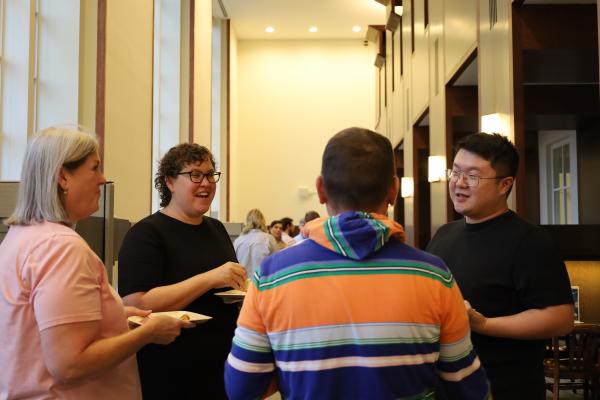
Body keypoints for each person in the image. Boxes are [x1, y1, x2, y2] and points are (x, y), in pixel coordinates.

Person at [224, 127, 490, 400]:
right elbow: (468, 387)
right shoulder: (434, 276)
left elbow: (241, 388)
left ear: (320, 189)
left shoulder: (271, 277)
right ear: (393, 190)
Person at [0, 125, 189, 399]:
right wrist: (147, 334)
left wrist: (113, 317)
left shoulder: (19, 238)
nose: (103, 179)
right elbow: (71, 363)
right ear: (63, 176)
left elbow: (39, 325)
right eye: (94, 168)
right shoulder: (61, 247)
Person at [426, 132, 574, 399]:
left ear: (505, 184)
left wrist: (483, 324)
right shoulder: (443, 235)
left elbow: (560, 319)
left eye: (472, 176)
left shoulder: (530, 241)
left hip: (507, 386)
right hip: (447, 386)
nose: (459, 183)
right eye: (455, 172)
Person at [118, 143, 247, 399]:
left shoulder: (216, 229)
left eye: (211, 175)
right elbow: (137, 302)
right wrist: (210, 279)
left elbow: (225, 289)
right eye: (195, 175)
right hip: (170, 370)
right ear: (170, 182)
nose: (206, 183)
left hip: (220, 366)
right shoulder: (146, 234)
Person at [234, 208, 278, 278]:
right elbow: (276, 262)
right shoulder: (268, 239)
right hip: (262, 282)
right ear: (262, 221)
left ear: (247, 221)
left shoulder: (238, 240)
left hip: (242, 282)